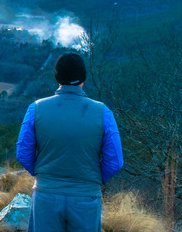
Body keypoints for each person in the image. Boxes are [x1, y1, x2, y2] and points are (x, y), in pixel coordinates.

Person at [16, 52, 123, 231]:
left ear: (57, 76)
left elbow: (23, 153)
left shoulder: (36, 108)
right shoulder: (103, 112)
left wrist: (43, 175)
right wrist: (93, 180)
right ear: (83, 77)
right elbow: (115, 162)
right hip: (86, 199)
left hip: (46, 196)